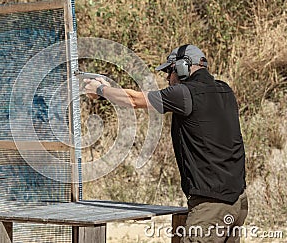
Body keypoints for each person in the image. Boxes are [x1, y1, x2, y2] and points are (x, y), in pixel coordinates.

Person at [83, 44, 248, 242]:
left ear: (182, 67)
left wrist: (101, 89)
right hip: (237, 201)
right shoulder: (225, 90)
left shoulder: (185, 93)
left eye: (169, 71)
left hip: (210, 206)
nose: (168, 78)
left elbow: (133, 100)